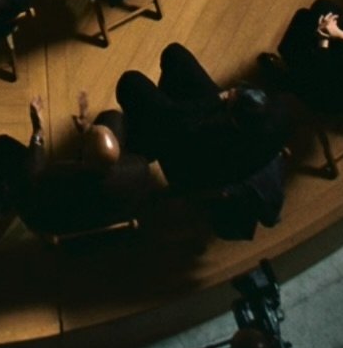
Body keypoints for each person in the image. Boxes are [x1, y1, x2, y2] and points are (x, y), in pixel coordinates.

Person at [115, 43, 286, 239]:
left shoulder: (214, 138)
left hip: (193, 163)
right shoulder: (274, 120)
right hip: (212, 141)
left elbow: (177, 120)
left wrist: (218, 99)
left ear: (233, 119)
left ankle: (144, 144)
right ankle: (159, 113)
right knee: (175, 55)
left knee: (131, 83)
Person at [0, 95, 151, 237]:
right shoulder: (139, 168)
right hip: (110, 213)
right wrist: (88, 130)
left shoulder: (57, 178)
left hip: (54, 222)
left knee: (1, 145)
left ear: (82, 157)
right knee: (113, 117)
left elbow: (34, 175)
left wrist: (38, 133)